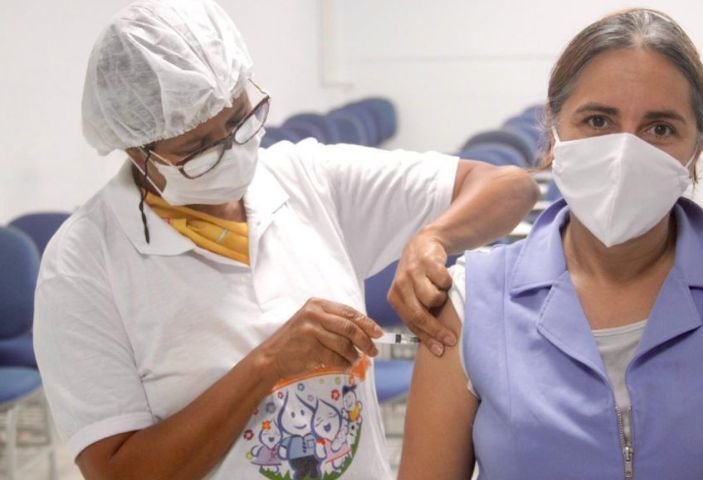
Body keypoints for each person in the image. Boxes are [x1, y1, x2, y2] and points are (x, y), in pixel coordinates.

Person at [31, 1, 538, 479]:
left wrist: (433, 237)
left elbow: (508, 187)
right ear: (135, 149)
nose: (231, 151)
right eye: (198, 147)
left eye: (239, 120)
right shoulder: (85, 263)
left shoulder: (307, 179)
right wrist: (267, 365)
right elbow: (116, 470)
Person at [399, 8, 703, 480]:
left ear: (697, 149)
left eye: (660, 129)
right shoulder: (473, 302)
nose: (624, 153)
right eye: (597, 121)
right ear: (554, 131)